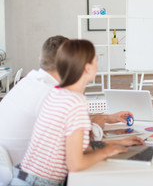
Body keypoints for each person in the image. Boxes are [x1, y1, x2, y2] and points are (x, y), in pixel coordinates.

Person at [10, 39, 145, 185]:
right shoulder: (75, 102)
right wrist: (106, 152)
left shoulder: (57, 93)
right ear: (87, 68)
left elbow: (75, 146)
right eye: (95, 61)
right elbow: (75, 164)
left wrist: (117, 142)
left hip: (24, 177)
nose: (97, 66)